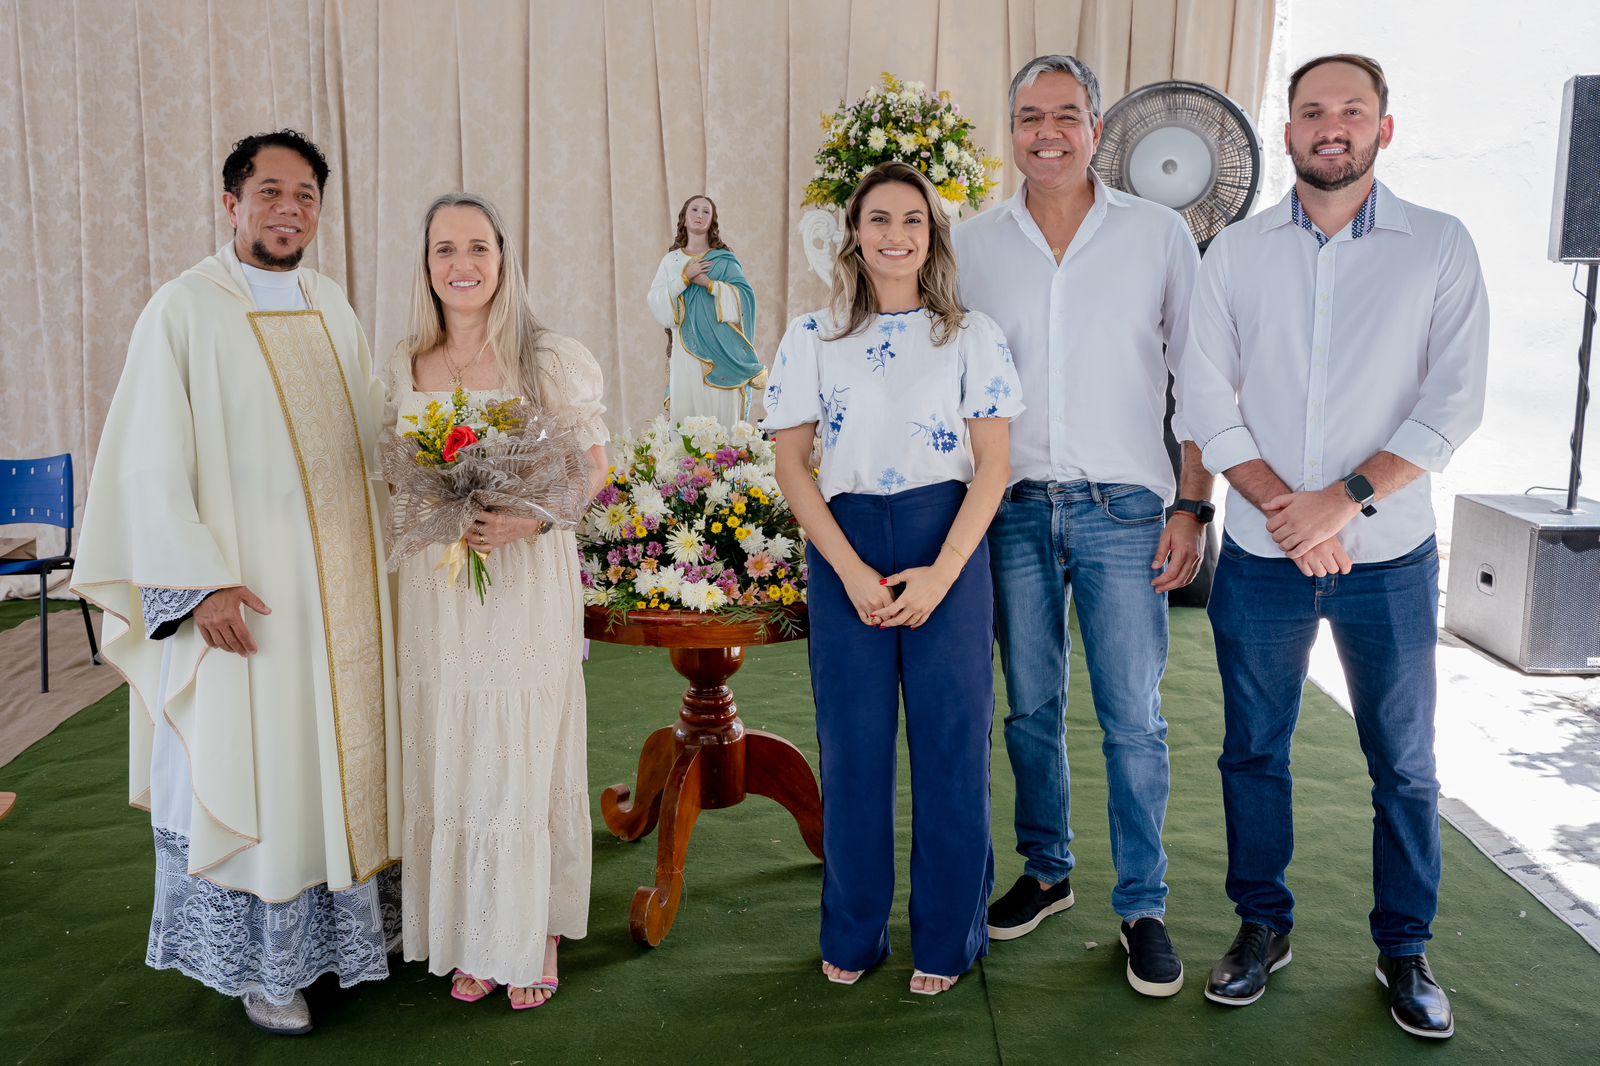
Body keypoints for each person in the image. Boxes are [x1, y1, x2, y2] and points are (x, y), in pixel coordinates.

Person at [1178, 54, 1490, 1039]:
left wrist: (1342, 502)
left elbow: (1454, 403)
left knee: (1402, 762)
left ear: (1382, 130)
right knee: (1251, 751)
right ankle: (1259, 926)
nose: (1331, 125)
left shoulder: (1438, 247)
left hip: (1389, 557)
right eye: (1311, 110)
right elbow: (1202, 396)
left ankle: (1405, 947)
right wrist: (1288, 511)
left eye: (1351, 110)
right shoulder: (1234, 254)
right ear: (1286, 131)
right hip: (1266, 557)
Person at [71, 130, 401, 1036]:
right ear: (231, 204)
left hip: (342, 601)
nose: (287, 209)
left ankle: (342, 942)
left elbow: (371, 433)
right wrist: (199, 584)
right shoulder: (182, 309)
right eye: (268, 192)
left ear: (320, 212)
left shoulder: (331, 303)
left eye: (305, 195)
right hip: (242, 604)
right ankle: (266, 969)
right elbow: (144, 462)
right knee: (254, 768)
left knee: (327, 764)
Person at [951, 55, 1208, 997]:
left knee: (1132, 718)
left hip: (1127, 510)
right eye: (1029, 117)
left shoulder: (1158, 234)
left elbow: (1199, 380)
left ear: (1098, 127)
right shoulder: (972, 243)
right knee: (1028, 708)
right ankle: (1048, 870)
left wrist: (1192, 504)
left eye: (1067, 115)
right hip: (1011, 509)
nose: (1047, 132)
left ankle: (1143, 904)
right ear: (1010, 130)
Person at [765, 161, 1021, 996]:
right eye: (878, 219)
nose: (895, 235)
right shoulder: (811, 335)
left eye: (912, 219)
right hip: (846, 548)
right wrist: (848, 571)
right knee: (855, 748)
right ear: (854, 233)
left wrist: (943, 573)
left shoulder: (971, 335)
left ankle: (948, 940)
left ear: (933, 233)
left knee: (951, 747)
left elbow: (992, 467)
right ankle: (855, 932)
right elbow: (794, 466)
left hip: (945, 539)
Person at [390, 192, 609, 1011]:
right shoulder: (406, 363)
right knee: (454, 743)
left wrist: (532, 517)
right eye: (445, 249)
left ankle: (533, 926)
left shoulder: (546, 357)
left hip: (522, 576)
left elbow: (593, 466)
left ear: (503, 257)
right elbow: (395, 473)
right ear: (426, 265)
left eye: (477, 247)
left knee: (520, 742)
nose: (462, 265)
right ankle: (470, 930)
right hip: (440, 590)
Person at [647, 194, 765, 425]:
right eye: (694, 210)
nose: (699, 216)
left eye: (706, 212)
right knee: (690, 406)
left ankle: (724, 458)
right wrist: (684, 278)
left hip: (722, 346)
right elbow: (656, 300)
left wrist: (709, 285)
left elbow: (745, 298)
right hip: (686, 347)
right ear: (684, 218)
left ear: (712, 221)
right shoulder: (671, 261)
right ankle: (688, 461)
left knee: (720, 407)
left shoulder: (724, 259)